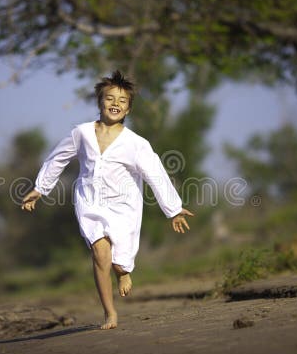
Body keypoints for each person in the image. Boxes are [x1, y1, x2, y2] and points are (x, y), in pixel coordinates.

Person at [20, 70, 194, 330]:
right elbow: (58, 158)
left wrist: (174, 209)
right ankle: (110, 313)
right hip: (89, 201)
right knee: (100, 253)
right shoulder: (81, 133)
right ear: (99, 102)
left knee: (119, 255)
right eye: (110, 98)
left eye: (122, 101)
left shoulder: (136, 144)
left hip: (124, 205)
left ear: (129, 109)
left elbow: (156, 174)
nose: (115, 103)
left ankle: (123, 271)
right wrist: (40, 188)